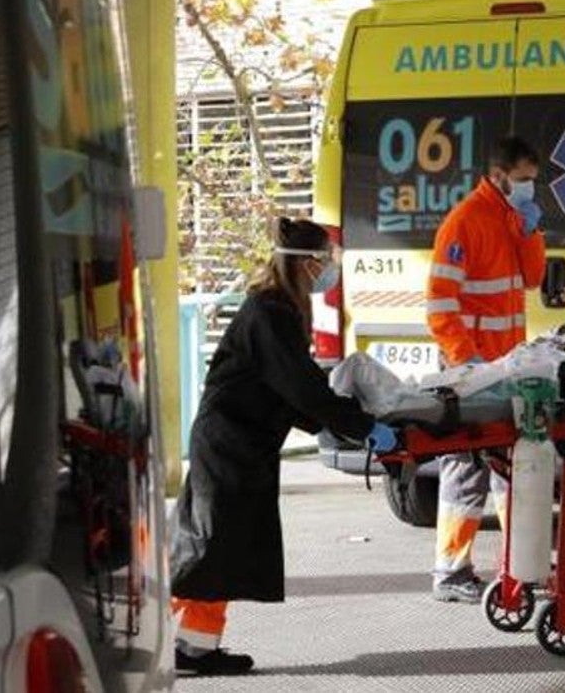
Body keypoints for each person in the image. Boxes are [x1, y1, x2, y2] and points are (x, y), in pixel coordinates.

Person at [170, 217, 398, 675]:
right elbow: (300, 386)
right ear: (307, 265)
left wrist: (328, 427)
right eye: (325, 261)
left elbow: (287, 390)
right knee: (209, 547)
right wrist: (358, 425)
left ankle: (195, 648)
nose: (330, 270)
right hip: (229, 443)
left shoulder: (281, 310)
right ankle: (146, 629)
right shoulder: (270, 313)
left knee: (222, 549)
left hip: (244, 442)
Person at [425, 136, 546, 603]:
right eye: (522, 181)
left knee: (511, 465)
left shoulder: (511, 218)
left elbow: (533, 279)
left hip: (505, 361)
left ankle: (522, 561)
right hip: (471, 364)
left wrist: (530, 231)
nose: (529, 189)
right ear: (497, 177)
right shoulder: (465, 222)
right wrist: (465, 360)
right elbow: (440, 306)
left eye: (533, 181)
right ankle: (451, 572)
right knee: (465, 467)